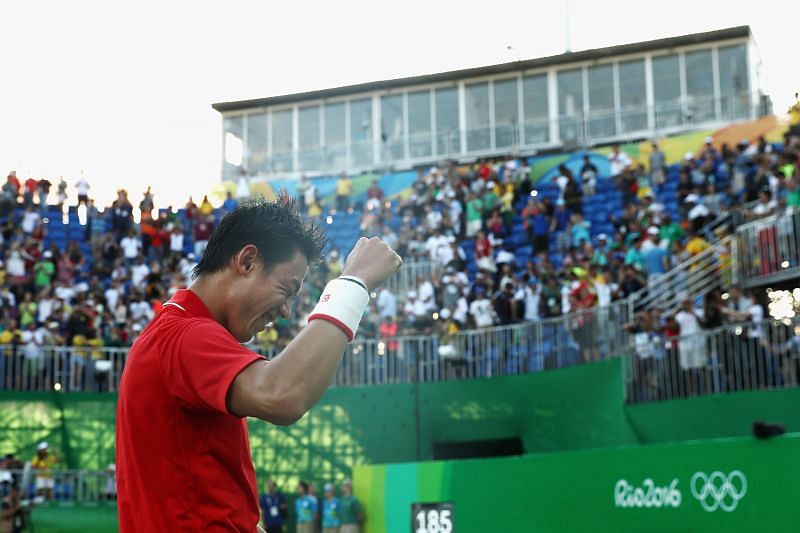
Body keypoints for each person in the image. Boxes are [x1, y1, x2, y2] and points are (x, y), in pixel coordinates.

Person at [115, 196, 402, 532]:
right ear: (248, 261)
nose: (285, 312)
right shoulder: (185, 336)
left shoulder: (175, 333)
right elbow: (282, 394)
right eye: (287, 289)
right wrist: (353, 284)